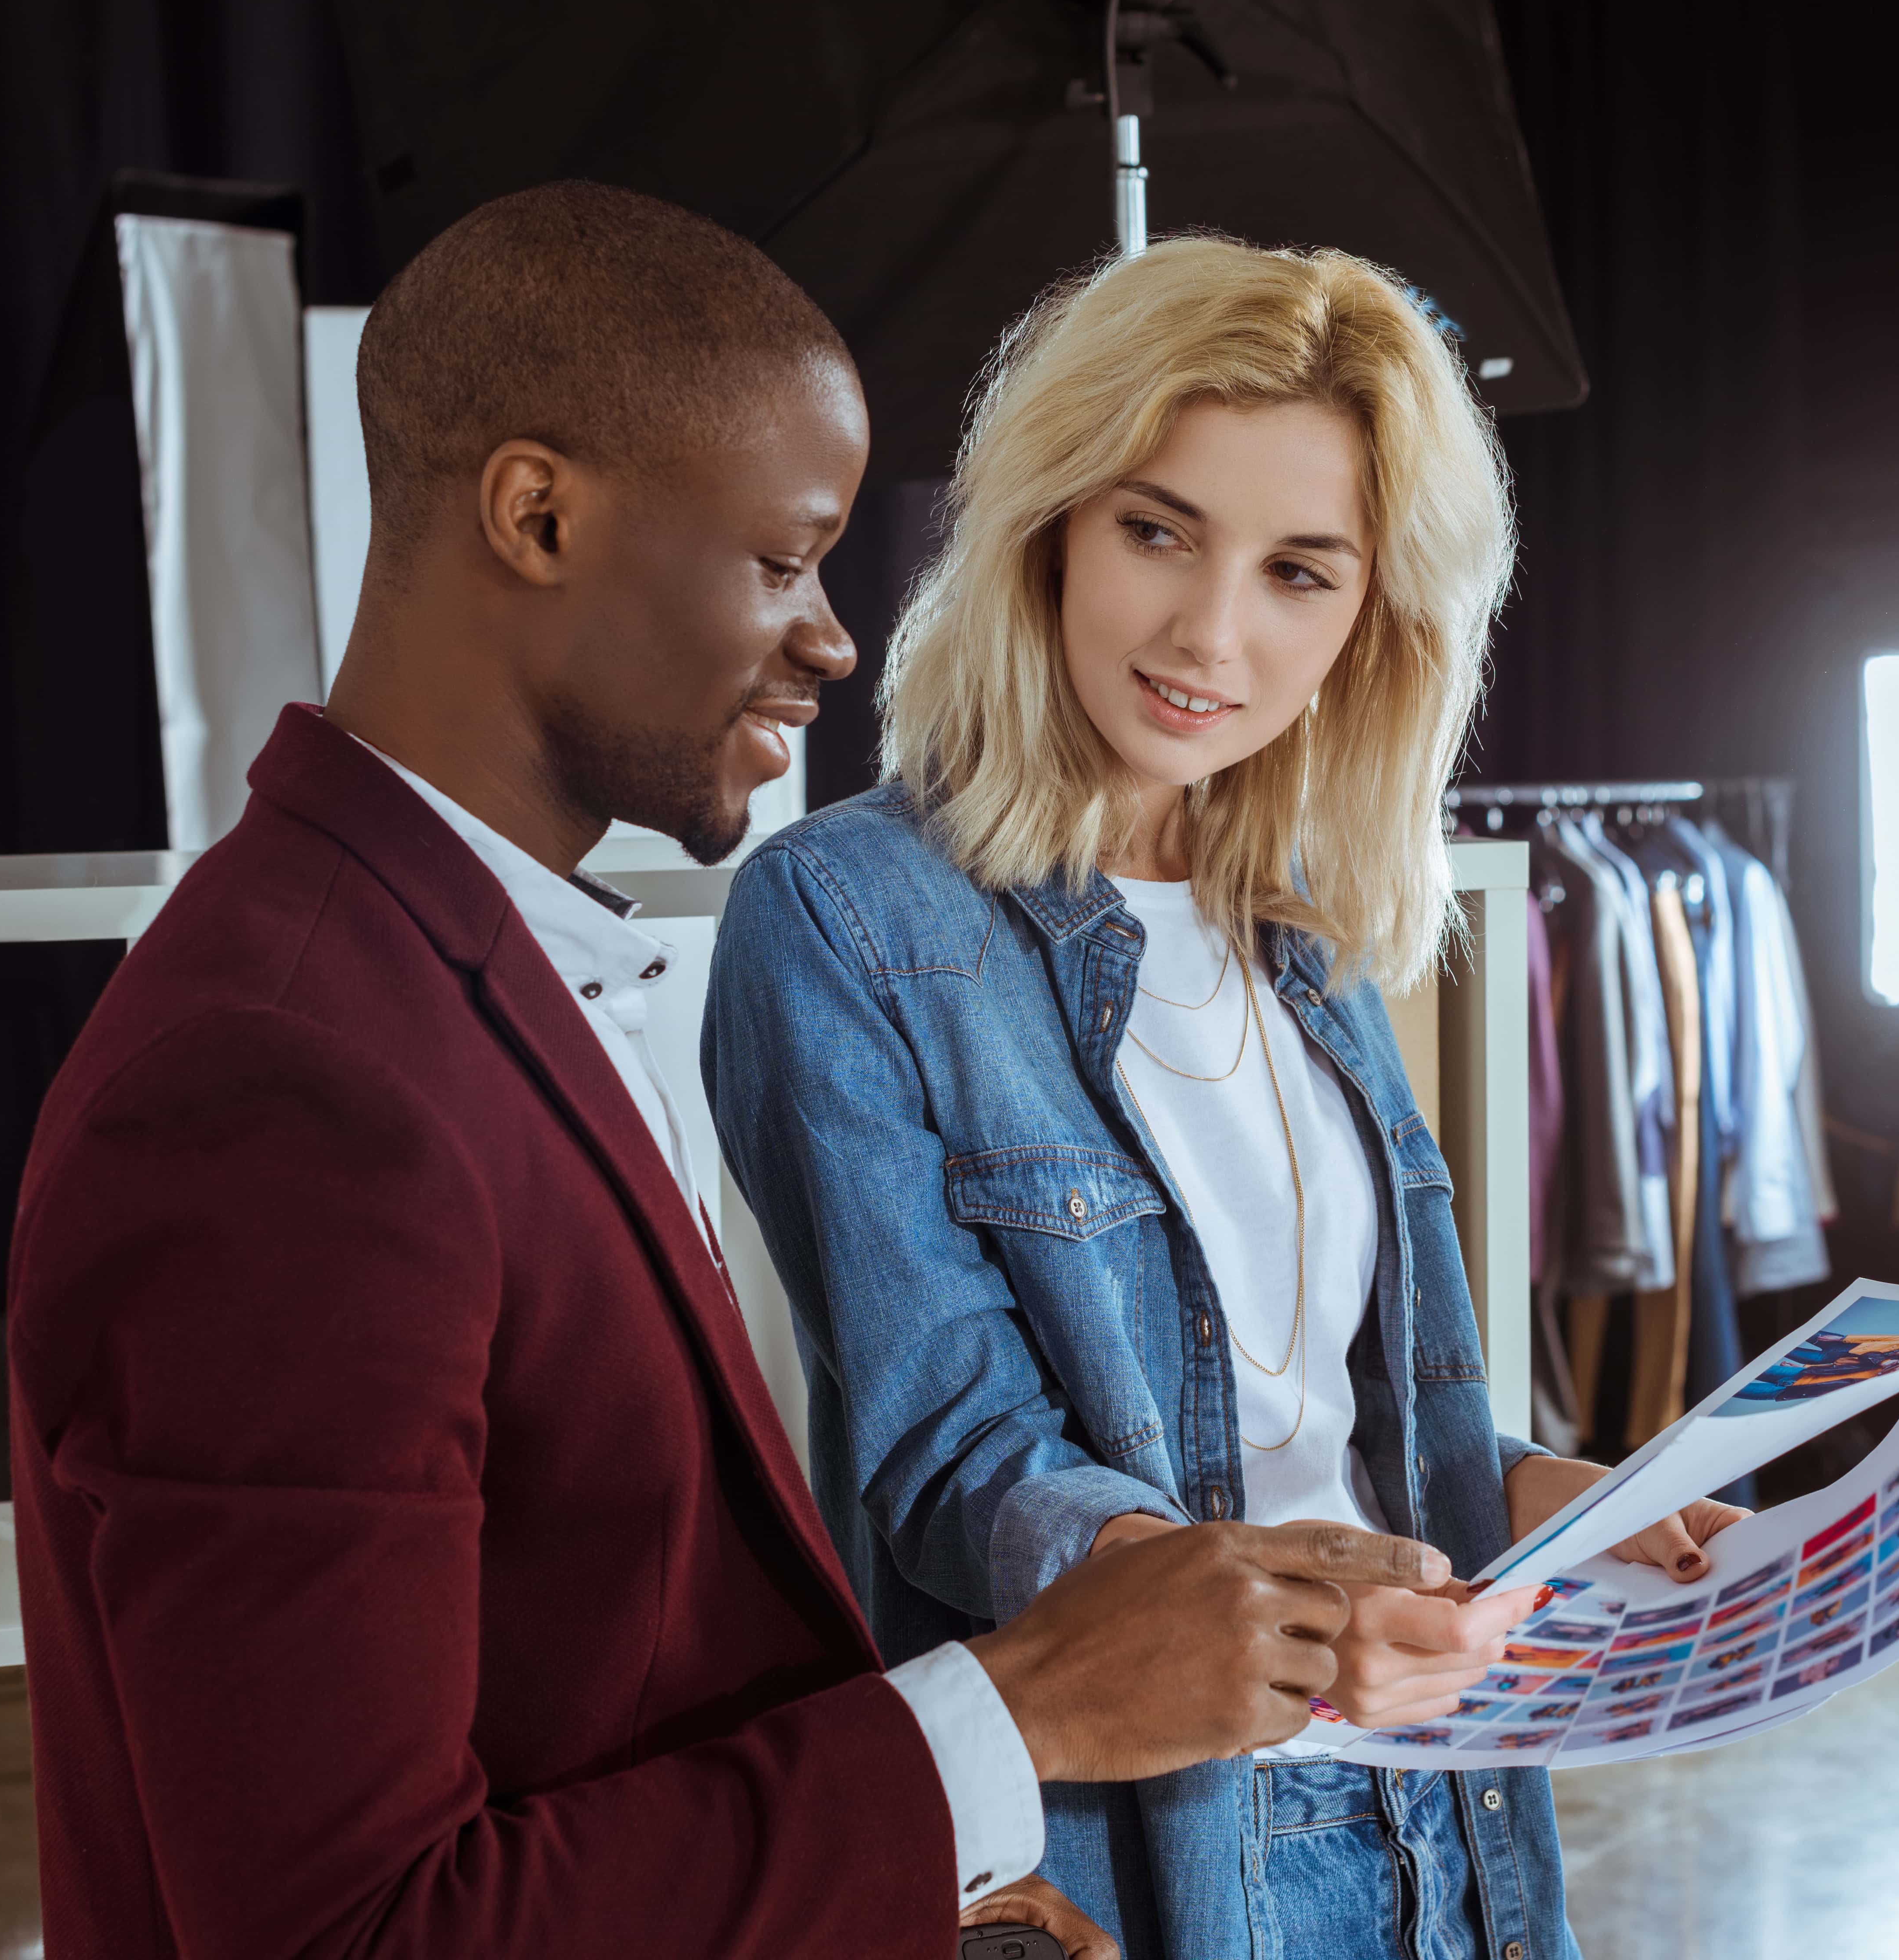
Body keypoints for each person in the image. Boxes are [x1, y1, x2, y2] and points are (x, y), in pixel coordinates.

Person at [6, 183, 1451, 1960]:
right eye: (783, 560)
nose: (837, 637)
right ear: (535, 513)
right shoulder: (285, 1084)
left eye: (1300, 570)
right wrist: (1030, 1713)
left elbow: (611, 1673)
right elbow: (351, 1930)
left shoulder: (474, 971)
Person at [706, 236, 1748, 1960]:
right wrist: (1291, 1612)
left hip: (1445, 1813)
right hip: (1138, 1852)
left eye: (1299, 573)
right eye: (1158, 529)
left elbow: (1327, 1426)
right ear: (1049, 515)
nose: (1211, 631)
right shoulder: (841, 917)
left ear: (1372, 622)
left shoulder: (1307, 933)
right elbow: (955, 1459)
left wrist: (1549, 1498)